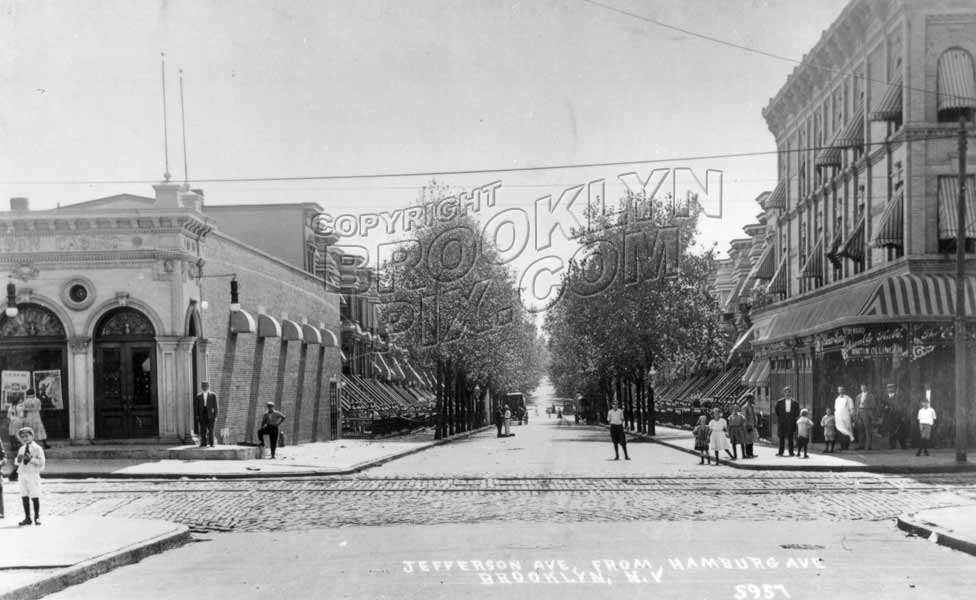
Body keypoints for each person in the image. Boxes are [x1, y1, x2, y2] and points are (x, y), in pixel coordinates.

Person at [15, 427, 45, 526]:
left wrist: (31, 459)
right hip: (22, 473)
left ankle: (37, 517)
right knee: (24, 495)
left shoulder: (37, 448)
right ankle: (27, 517)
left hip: (32, 474)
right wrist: (18, 460)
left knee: (35, 494)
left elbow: (41, 463)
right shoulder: (21, 448)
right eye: (22, 437)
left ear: (32, 436)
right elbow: (17, 463)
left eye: (27, 436)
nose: (25, 439)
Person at [774, 386, 800, 456]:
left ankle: (791, 452)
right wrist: (781, 418)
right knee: (781, 437)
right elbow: (776, 411)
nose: (787, 394)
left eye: (788, 392)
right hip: (782, 421)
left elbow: (797, 412)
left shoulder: (795, 403)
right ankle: (780, 452)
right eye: (786, 392)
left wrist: (794, 418)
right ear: (784, 393)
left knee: (790, 438)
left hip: (791, 421)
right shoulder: (779, 402)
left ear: (791, 393)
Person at [882, 383, 908, 450]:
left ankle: (903, 445)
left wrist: (902, 415)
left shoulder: (899, 397)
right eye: (889, 388)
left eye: (891, 388)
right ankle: (892, 446)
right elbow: (882, 406)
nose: (890, 389)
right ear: (887, 389)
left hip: (897, 417)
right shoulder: (885, 397)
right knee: (891, 432)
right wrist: (885, 408)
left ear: (894, 389)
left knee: (900, 431)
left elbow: (903, 406)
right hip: (889, 417)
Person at [193, 382, 218, 448]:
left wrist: (215, 416)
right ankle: (203, 443)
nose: (205, 387)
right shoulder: (198, 396)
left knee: (211, 429)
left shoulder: (213, 395)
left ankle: (211, 443)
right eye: (203, 386)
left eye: (206, 386)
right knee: (202, 429)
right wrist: (197, 415)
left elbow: (215, 406)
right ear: (201, 387)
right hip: (202, 414)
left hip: (210, 414)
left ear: (208, 386)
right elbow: (197, 407)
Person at [854, 384, 876, 450]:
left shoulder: (870, 396)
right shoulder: (858, 396)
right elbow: (856, 406)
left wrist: (866, 406)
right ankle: (861, 445)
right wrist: (856, 414)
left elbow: (873, 405)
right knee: (860, 430)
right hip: (859, 413)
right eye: (861, 387)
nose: (863, 388)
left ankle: (868, 446)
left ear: (866, 388)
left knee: (867, 430)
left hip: (866, 412)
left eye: (864, 387)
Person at [832, 386, 854, 451]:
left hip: (846, 417)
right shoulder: (837, 399)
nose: (840, 391)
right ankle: (842, 446)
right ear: (838, 391)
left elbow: (852, 409)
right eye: (839, 390)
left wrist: (851, 418)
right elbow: (836, 409)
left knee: (847, 431)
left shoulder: (848, 399)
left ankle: (846, 447)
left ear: (844, 390)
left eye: (842, 390)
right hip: (839, 418)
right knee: (840, 432)